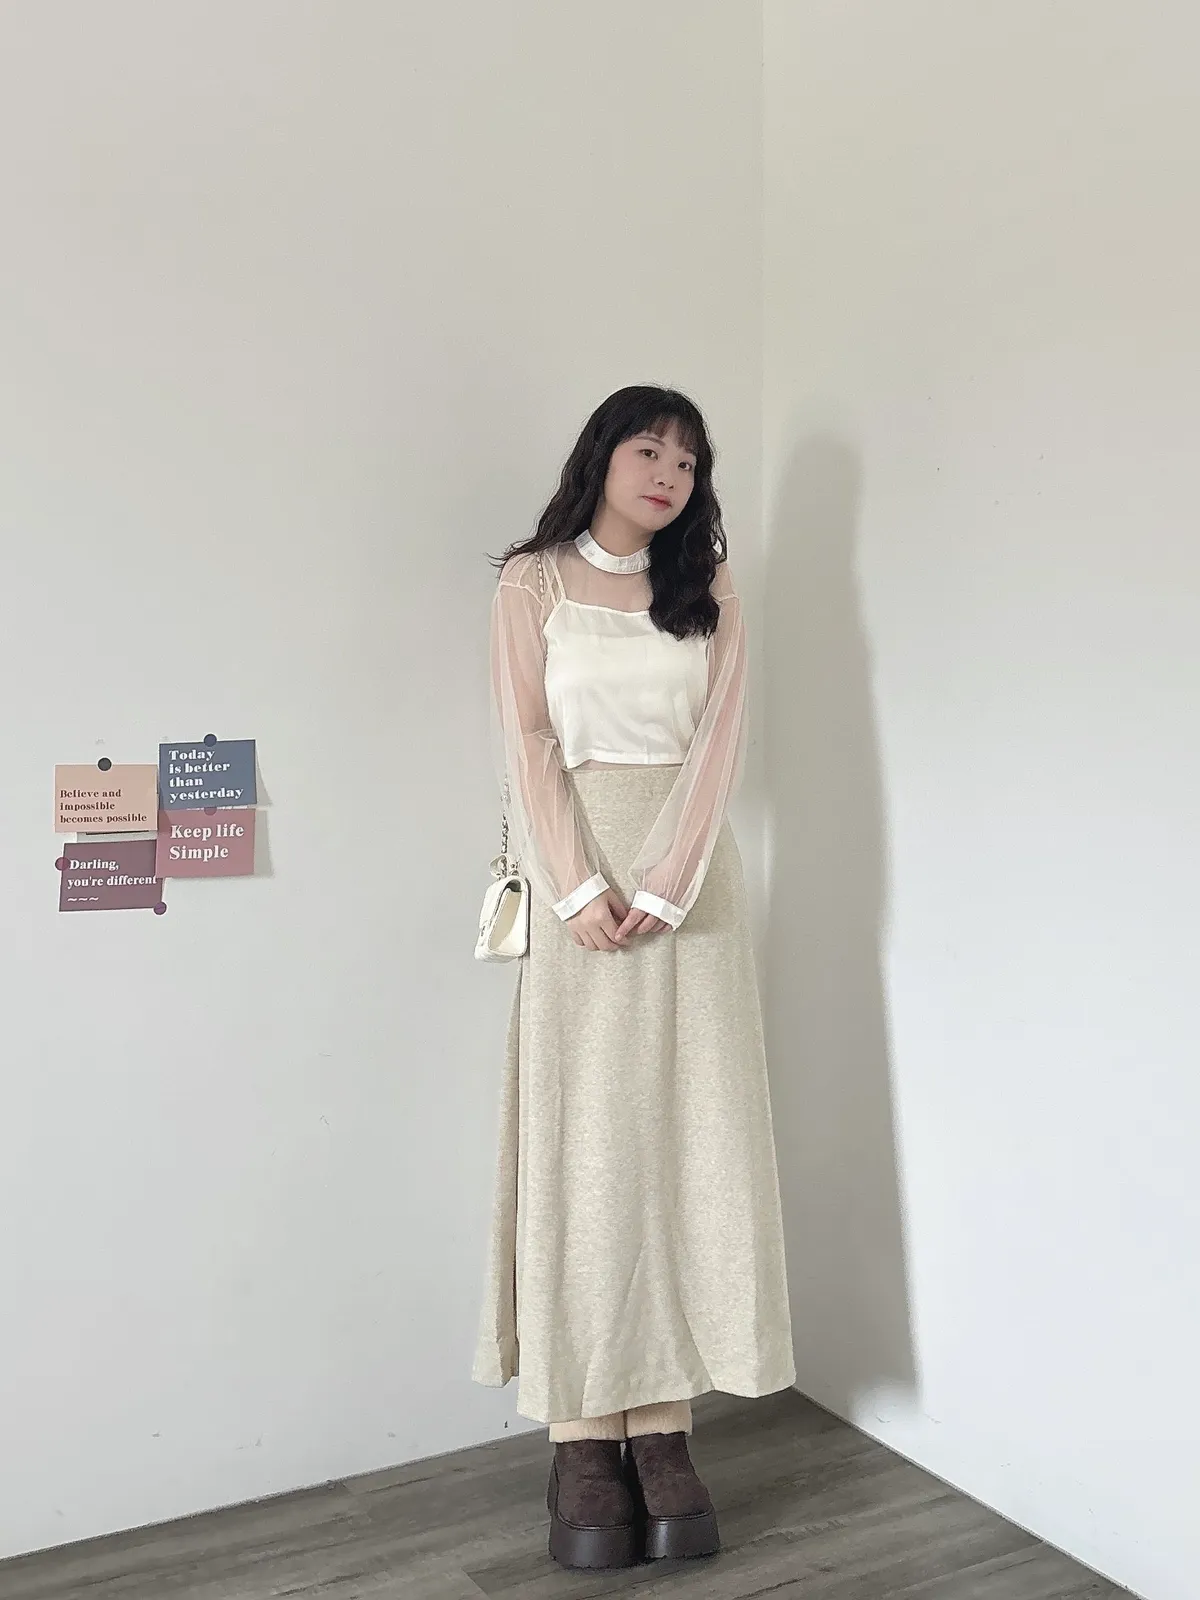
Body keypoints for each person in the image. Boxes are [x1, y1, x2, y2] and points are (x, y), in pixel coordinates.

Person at [472, 385, 794, 1570]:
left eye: (688, 459)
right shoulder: (532, 583)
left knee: (689, 1136)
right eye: (648, 447)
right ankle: (580, 1434)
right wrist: (575, 887)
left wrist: (668, 879)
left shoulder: (707, 590)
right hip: (577, 873)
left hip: (693, 881)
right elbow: (527, 739)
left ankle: (663, 1427)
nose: (668, 471)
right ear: (601, 455)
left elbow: (721, 743)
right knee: (584, 1145)